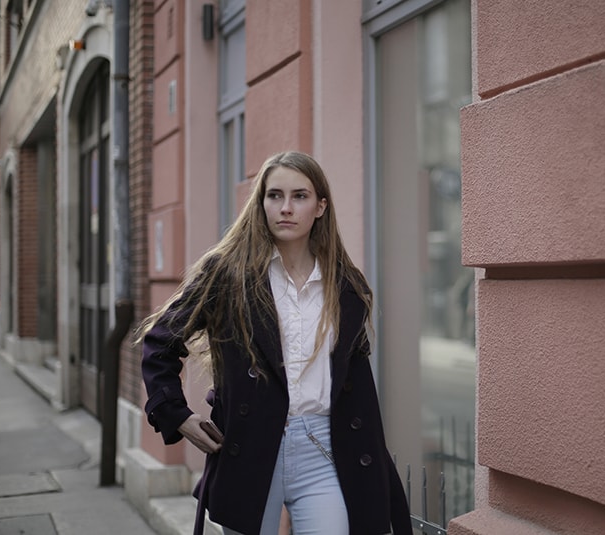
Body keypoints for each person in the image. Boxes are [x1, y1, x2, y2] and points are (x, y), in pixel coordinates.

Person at [137, 151, 412, 535]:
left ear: (320, 206)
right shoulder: (228, 274)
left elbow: (357, 385)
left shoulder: (345, 284)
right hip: (251, 448)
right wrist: (176, 416)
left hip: (324, 449)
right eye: (274, 195)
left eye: (299, 196)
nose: (286, 208)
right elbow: (161, 343)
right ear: (261, 203)